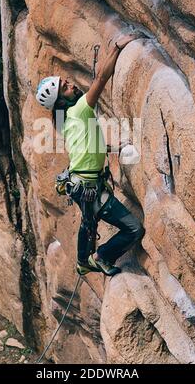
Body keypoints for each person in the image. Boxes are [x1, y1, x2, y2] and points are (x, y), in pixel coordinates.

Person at [36, 33, 145, 276]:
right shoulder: (79, 110)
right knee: (134, 229)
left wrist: (111, 148)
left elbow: (83, 144)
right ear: (60, 101)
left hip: (82, 184)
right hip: (89, 187)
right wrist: (117, 47)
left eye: (66, 82)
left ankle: (83, 261)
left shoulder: (64, 121)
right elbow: (102, 78)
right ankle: (101, 256)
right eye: (65, 87)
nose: (71, 85)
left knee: (88, 223)